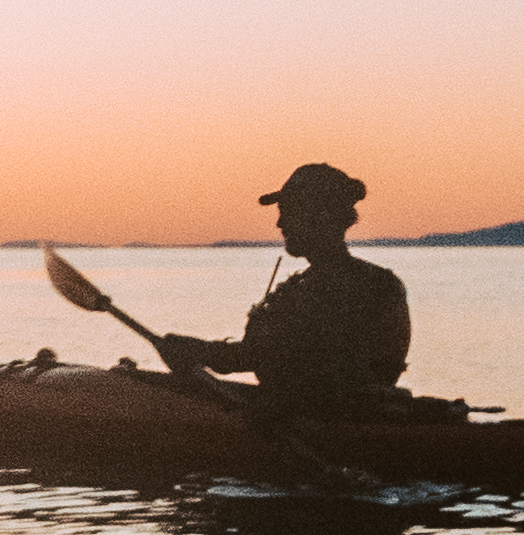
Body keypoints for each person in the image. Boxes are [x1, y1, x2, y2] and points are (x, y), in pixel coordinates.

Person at [160, 164, 412, 410]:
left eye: (288, 212)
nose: (279, 224)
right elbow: (270, 354)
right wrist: (201, 352)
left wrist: (201, 352)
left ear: (320, 216)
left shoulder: (364, 285)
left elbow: (285, 357)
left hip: (330, 421)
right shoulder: (305, 284)